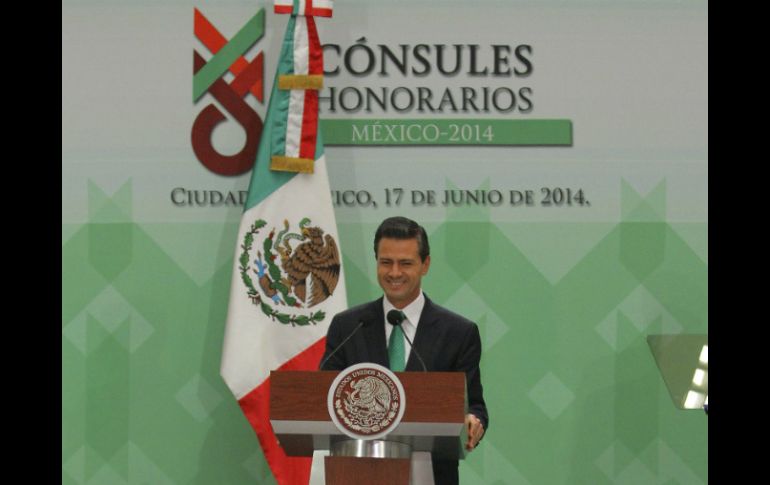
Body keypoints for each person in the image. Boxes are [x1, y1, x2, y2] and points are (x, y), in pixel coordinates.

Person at [320, 216, 488, 485]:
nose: (394, 272)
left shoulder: (458, 332)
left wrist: (473, 420)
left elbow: (474, 405)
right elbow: (322, 398)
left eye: (405, 263)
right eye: (386, 262)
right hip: (357, 473)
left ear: (425, 264)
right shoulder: (348, 327)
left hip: (432, 475)